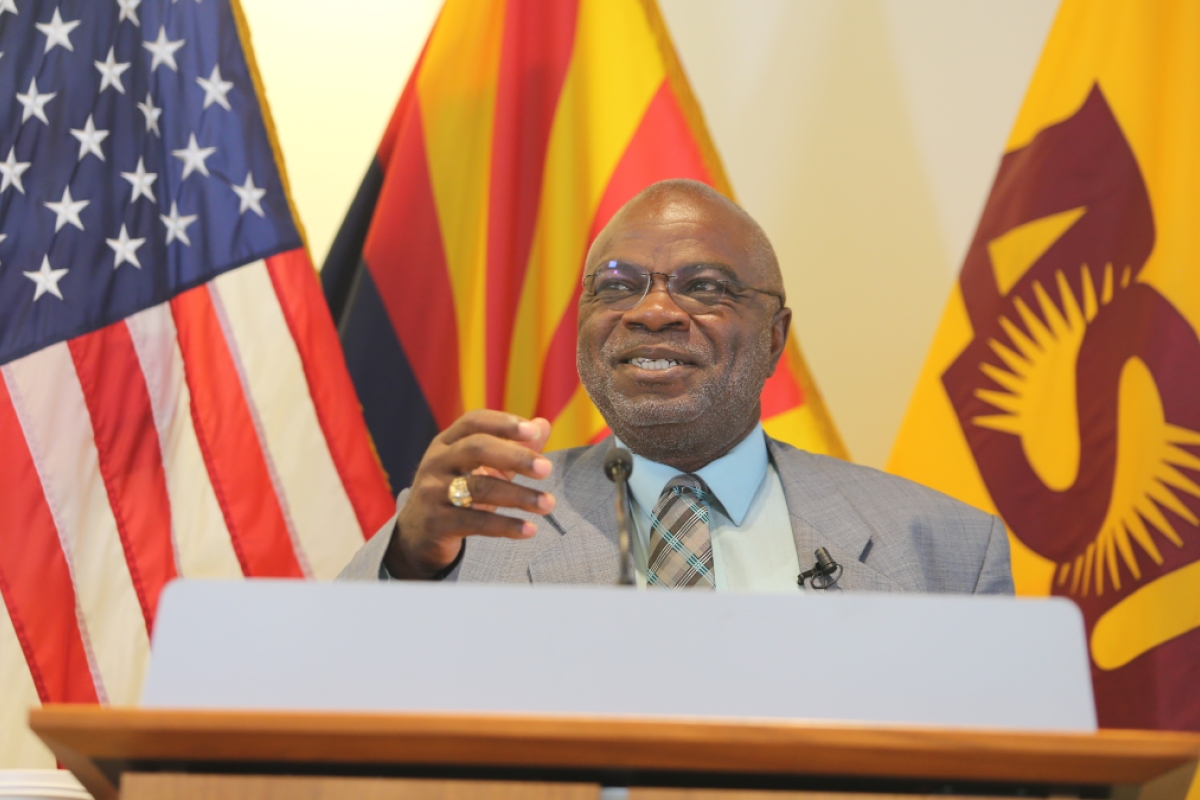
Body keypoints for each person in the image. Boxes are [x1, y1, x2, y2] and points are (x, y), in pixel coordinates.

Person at [340, 180, 1013, 593]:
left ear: (775, 337)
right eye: (616, 285)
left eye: (704, 287)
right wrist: (409, 559)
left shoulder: (945, 548)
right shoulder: (464, 531)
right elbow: (336, 706)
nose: (652, 311)